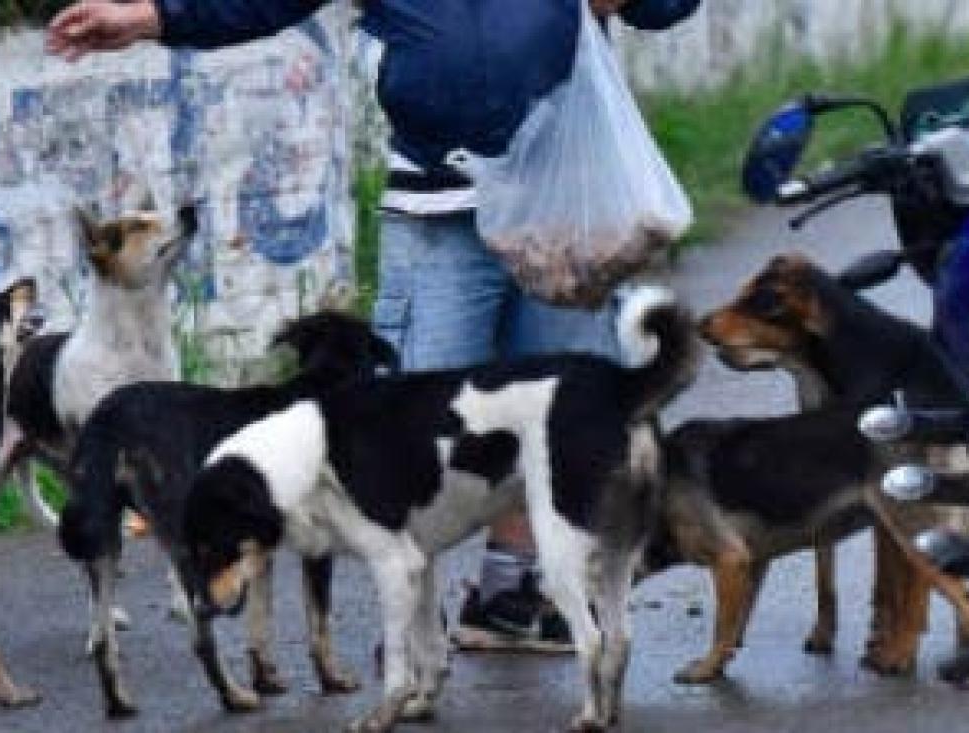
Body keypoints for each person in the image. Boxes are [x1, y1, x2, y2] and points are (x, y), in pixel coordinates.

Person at [48, 0, 700, 653]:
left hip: (563, 200)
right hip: (438, 208)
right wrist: (152, 16)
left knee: (552, 411)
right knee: (413, 427)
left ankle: (511, 593)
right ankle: (412, 624)